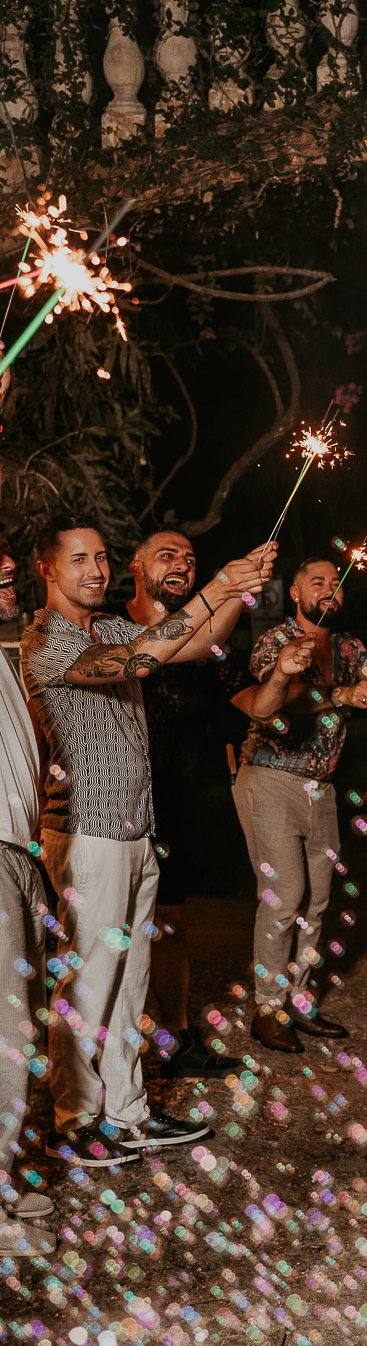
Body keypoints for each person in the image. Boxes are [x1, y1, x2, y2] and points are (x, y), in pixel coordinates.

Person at [22, 519, 272, 1168]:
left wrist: (238, 589)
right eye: (80, 560)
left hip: (137, 829)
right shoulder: (44, 638)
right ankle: (76, 1119)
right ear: (48, 569)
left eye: (102, 557)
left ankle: (127, 1109)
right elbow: (141, 660)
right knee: (86, 981)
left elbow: (193, 643)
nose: (97, 570)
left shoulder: (111, 626)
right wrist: (215, 583)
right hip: (84, 832)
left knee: (130, 983)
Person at [232, 555, 367, 1053]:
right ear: (296, 592)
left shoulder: (348, 646)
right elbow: (281, 697)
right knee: (284, 898)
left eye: (336, 582)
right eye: (318, 582)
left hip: (323, 789)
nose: (330, 589)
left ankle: (298, 1003)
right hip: (271, 778)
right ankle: (267, 1011)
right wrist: (339, 694)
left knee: (316, 903)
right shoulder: (279, 641)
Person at [127, 527, 243, 1079]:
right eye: (167, 554)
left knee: (171, 924)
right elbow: (169, 643)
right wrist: (227, 586)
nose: (182, 563)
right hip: (112, 801)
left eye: (191, 558)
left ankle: (175, 1039)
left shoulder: (201, 643)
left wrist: (237, 590)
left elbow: (207, 649)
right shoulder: (109, 625)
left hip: (177, 796)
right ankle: (98, 1053)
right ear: (136, 565)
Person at [0, 537, 56, 1254]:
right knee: (8, 1039)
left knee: (25, 1030)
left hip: (17, 852)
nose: (7, 567)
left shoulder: (7, 653)